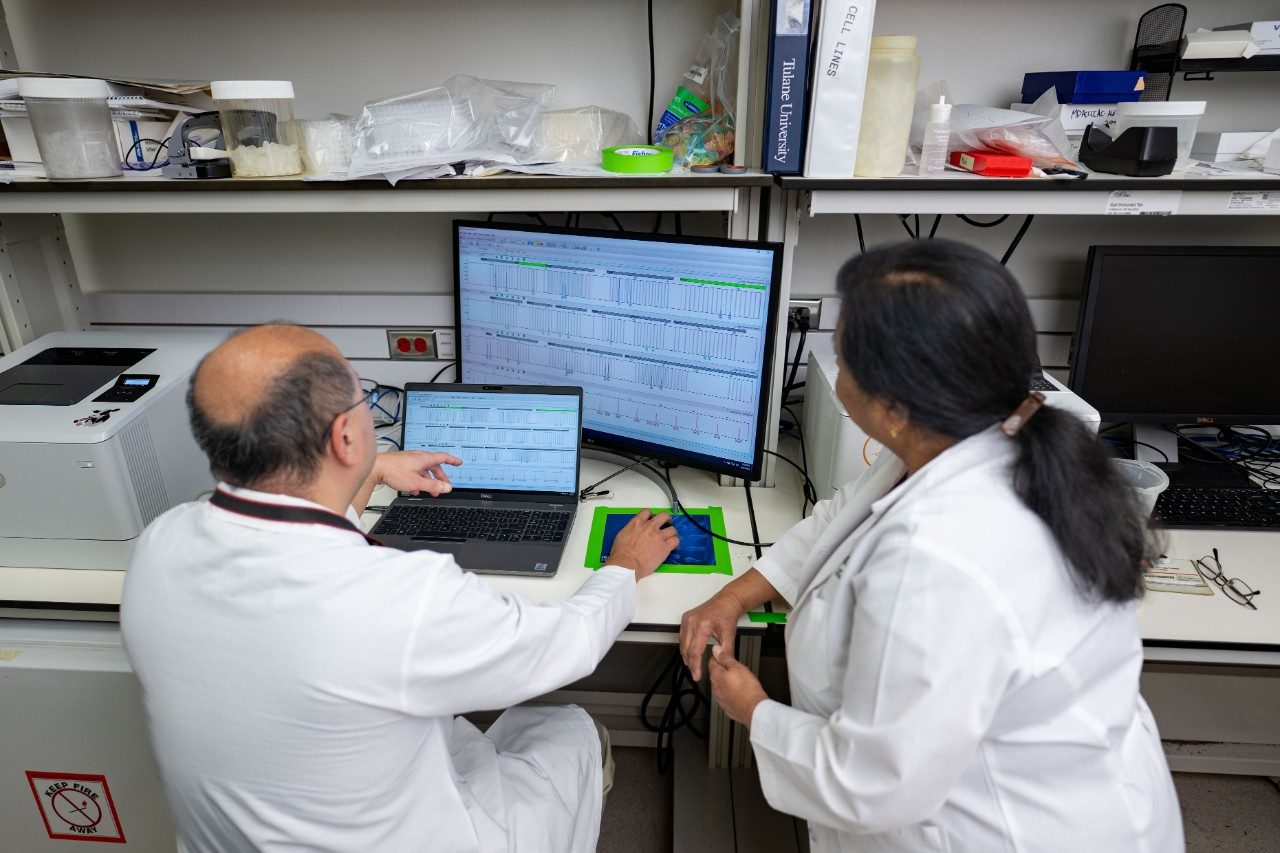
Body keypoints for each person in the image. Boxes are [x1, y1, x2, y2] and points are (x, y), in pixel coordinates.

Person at [680, 240, 1183, 852]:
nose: (833, 368)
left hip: (1009, 831)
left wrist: (754, 708)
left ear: (895, 408)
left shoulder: (939, 559)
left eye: (842, 355)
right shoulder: (972, 439)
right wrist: (735, 596)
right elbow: (838, 520)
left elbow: (871, 784)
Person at [121, 324, 678, 853]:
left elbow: (301, 532)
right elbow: (568, 643)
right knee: (570, 730)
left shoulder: (158, 548)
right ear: (345, 437)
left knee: (447, 730)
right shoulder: (402, 597)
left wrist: (369, 470)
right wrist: (624, 566)